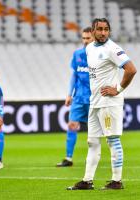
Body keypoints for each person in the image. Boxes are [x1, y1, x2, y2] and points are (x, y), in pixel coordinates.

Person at [67, 18, 137, 190]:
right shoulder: (89, 48)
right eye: (100, 29)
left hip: (109, 103)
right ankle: (87, 181)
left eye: (106, 29)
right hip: (95, 102)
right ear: (93, 31)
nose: (104, 32)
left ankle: (117, 181)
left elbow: (131, 69)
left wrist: (118, 89)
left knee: (112, 141)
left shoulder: (112, 49)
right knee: (92, 141)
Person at [56, 27, 94, 167]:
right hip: (78, 97)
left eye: (88, 38)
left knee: (94, 130)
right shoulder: (77, 54)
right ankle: (68, 158)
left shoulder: (99, 55)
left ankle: (92, 158)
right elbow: (74, 75)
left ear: (94, 38)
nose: (85, 41)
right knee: (72, 124)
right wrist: (69, 94)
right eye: (83, 38)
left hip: (94, 98)